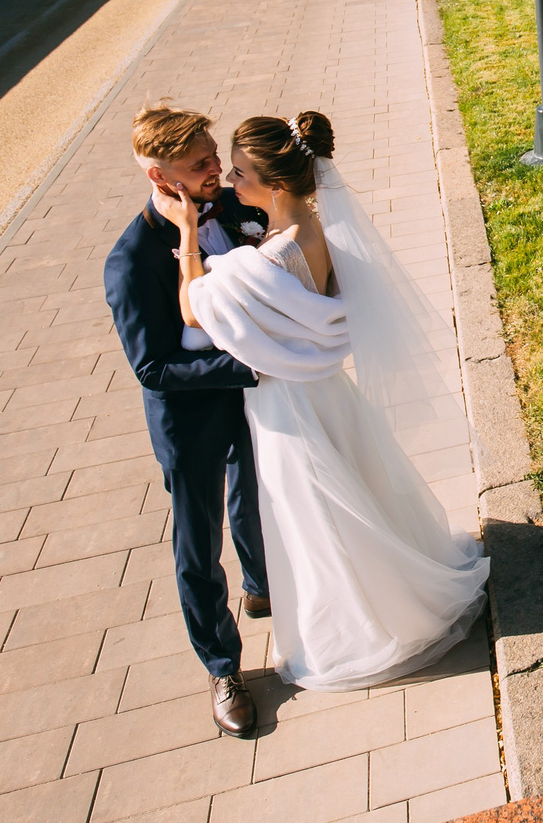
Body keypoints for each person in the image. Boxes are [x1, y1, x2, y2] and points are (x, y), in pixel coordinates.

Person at [162, 110, 489, 691]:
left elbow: (194, 311)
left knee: (314, 515)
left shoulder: (275, 255)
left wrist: (187, 235)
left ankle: (361, 627)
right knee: (348, 494)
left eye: (240, 174)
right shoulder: (313, 228)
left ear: (277, 184)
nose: (233, 185)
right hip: (325, 392)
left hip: (289, 409)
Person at [105, 104, 272, 739]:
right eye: (200, 164)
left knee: (257, 496)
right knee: (198, 548)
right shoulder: (129, 261)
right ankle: (223, 666)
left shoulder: (228, 208)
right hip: (191, 420)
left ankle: (260, 589)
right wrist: (249, 367)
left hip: (253, 402)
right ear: (158, 177)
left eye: (212, 157)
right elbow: (154, 368)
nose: (215, 172)